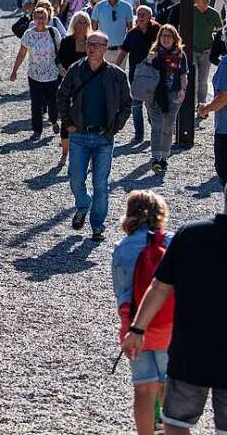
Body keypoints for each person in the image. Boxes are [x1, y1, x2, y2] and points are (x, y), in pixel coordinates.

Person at [121, 186, 227, 435]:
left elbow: (159, 287)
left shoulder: (191, 234)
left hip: (191, 350)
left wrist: (137, 329)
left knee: (176, 423)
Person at [57, 30, 132, 242]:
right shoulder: (76, 69)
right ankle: (83, 205)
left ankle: (97, 226)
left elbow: (127, 105)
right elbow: (62, 95)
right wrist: (68, 123)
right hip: (79, 135)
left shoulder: (117, 75)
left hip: (103, 138)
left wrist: (113, 127)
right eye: (90, 43)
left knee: (101, 184)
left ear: (105, 49)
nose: (92, 48)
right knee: (76, 178)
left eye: (97, 45)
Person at [111, 191, 174, 435]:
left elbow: (121, 294)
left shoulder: (122, 248)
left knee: (143, 388)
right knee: (168, 385)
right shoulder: (173, 242)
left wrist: (127, 324)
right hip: (170, 326)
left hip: (135, 327)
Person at [143, 25, 189, 175]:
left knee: (168, 127)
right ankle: (156, 158)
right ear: (159, 38)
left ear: (175, 38)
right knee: (156, 126)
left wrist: (183, 90)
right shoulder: (153, 54)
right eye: (163, 36)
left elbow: (183, 75)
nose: (166, 39)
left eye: (169, 36)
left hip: (174, 93)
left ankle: (164, 157)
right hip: (155, 94)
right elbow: (146, 74)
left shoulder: (181, 55)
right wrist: (148, 61)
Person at [10, 6, 62, 139]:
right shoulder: (28, 34)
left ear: (47, 18)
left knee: (52, 101)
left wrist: (63, 67)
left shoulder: (53, 32)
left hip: (52, 74)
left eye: (43, 18)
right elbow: (22, 54)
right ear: (33, 19)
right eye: (38, 18)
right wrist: (14, 70)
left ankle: (54, 120)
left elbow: (61, 51)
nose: (40, 20)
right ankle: (37, 130)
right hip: (35, 74)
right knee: (36, 103)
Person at [116, 6, 161, 143]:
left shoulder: (157, 30)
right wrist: (115, 68)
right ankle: (138, 135)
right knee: (136, 105)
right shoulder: (132, 33)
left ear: (150, 17)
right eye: (138, 14)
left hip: (153, 74)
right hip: (136, 75)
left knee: (152, 104)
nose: (140, 17)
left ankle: (155, 131)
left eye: (143, 14)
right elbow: (123, 52)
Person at [56, 11, 92, 163]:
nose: (82, 25)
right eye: (79, 22)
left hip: (89, 84)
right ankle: (65, 152)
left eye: (85, 22)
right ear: (74, 24)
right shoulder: (67, 41)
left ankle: (89, 154)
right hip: (69, 84)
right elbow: (58, 58)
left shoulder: (92, 42)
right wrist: (60, 68)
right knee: (67, 118)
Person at [198, 49, 227, 188]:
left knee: (224, 177)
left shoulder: (226, 62)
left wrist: (206, 108)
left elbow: (223, 98)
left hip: (225, 130)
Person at [92, 0, 135, 67]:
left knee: (118, 78)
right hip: (103, 49)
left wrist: (126, 48)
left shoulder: (127, 7)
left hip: (120, 50)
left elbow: (130, 29)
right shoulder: (99, 7)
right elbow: (93, 29)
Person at [190, 0, 223, 107]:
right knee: (192, 77)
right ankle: (191, 104)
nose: (203, 3)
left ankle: (202, 104)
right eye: (200, 1)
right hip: (192, 49)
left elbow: (220, 31)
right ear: (196, 1)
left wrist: (216, 48)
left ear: (209, 1)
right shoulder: (190, 11)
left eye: (206, 1)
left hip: (207, 50)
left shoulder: (214, 14)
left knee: (203, 80)